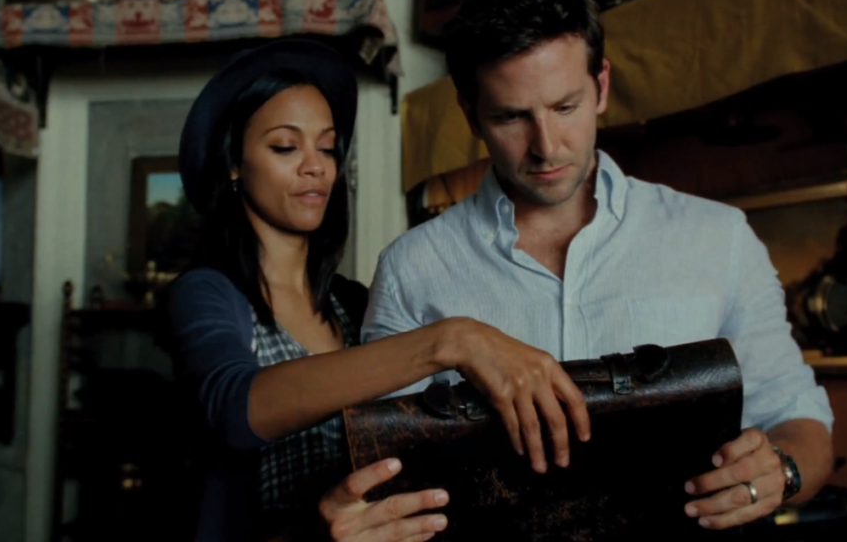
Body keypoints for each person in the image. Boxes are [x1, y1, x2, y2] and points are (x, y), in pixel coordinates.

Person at [330, 0, 836, 535]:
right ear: (470, 114)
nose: (546, 147)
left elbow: (799, 420)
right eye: (512, 117)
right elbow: (388, 477)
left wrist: (781, 471)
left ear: (601, 86)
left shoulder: (719, 237)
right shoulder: (411, 269)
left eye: (564, 107)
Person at [164, 38, 590, 542]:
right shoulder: (207, 292)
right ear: (234, 163)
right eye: (285, 147)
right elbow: (235, 407)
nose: (315, 166)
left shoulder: (352, 304)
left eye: (327, 147)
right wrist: (452, 340)